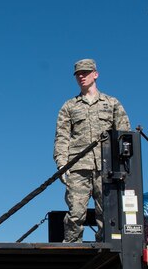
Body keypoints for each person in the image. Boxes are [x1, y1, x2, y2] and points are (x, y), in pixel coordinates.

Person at [53, 59, 130, 242]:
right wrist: (62, 165)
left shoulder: (112, 103)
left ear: (95, 74)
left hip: (106, 167)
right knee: (75, 212)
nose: (82, 76)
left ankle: (104, 249)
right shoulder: (69, 106)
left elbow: (124, 134)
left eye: (86, 73)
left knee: (107, 213)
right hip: (78, 167)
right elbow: (62, 137)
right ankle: (72, 248)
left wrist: (123, 165)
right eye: (78, 74)